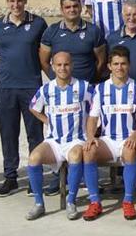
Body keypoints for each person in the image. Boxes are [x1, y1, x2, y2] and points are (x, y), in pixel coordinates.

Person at [0, 0, 48, 197]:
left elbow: (45, 55)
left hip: (31, 87)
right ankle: (10, 177)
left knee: (35, 134)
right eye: (12, 1)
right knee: (8, 134)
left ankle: (35, 177)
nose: (16, 5)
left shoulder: (38, 24)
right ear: (7, 2)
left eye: (19, 1)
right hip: (5, 88)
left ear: (25, 1)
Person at [80, 46, 136, 221]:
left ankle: (128, 200)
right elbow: (93, 118)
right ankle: (95, 201)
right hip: (108, 140)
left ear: (129, 65)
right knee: (88, 151)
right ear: (109, 66)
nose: (120, 67)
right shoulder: (101, 89)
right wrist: (90, 137)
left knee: (131, 151)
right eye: (116, 64)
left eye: (123, 64)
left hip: (128, 138)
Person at [24, 52, 93, 221]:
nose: (63, 68)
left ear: (72, 65)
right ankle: (39, 204)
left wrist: (92, 130)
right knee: (33, 157)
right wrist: (46, 120)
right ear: (53, 67)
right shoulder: (47, 89)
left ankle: (71, 201)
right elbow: (33, 107)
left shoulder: (83, 86)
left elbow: (96, 109)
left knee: (76, 155)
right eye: (59, 65)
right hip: (54, 141)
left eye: (66, 64)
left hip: (76, 140)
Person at [40, 0, 107, 83]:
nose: (72, 10)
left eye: (75, 6)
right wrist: (54, 79)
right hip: (61, 88)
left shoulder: (93, 31)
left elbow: (101, 61)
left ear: (80, 8)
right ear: (61, 10)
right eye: (68, 7)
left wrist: (92, 80)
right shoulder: (51, 31)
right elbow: (44, 61)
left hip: (86, 88)